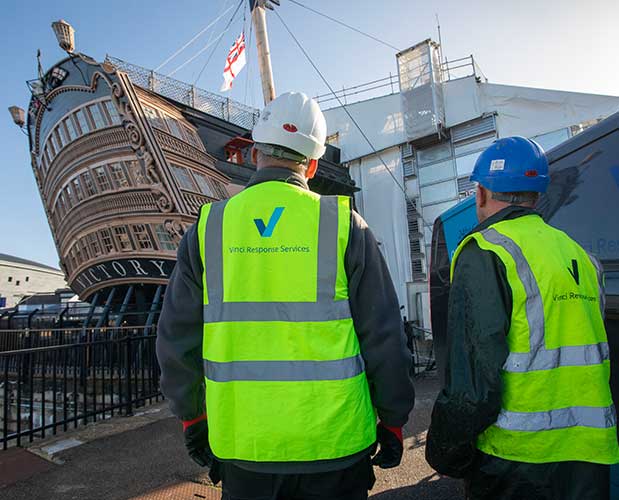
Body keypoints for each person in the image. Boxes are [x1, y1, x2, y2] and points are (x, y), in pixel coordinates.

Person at [156, 91, 415, 500]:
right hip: (337, 447)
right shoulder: (345, 226)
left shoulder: (208, 229)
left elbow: (176, 341)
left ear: (255, 152)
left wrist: (193, 418)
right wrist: (394, 418)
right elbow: (384, 336)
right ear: (312, 164)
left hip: (245, 449)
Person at [425, 136, 619, 500]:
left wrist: (446, 451)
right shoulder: (581, 256)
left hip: (518, 463)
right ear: (537, 194)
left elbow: (474, 381)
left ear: (481, 194)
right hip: (591, 456)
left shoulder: (486, 249)